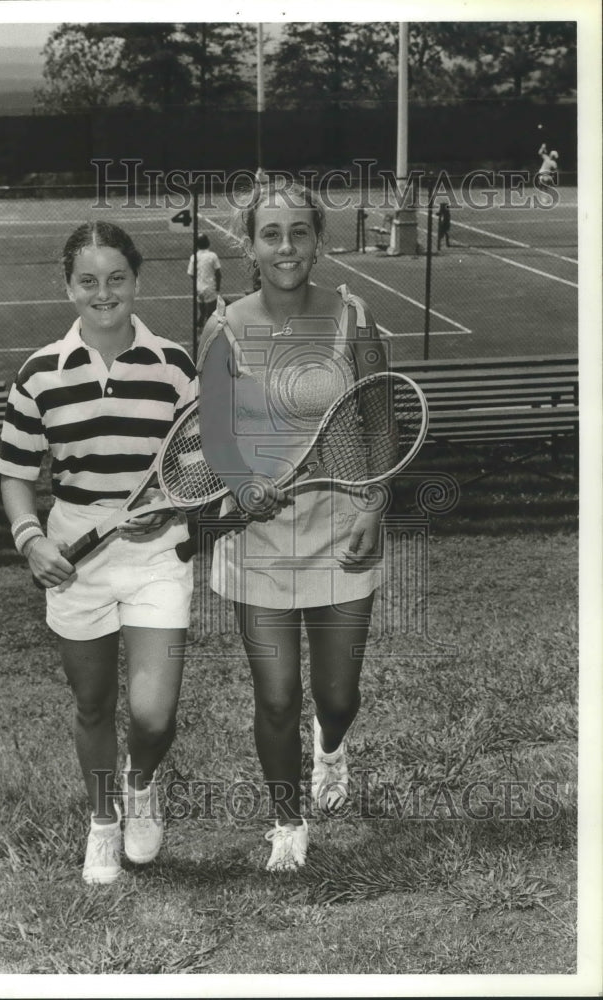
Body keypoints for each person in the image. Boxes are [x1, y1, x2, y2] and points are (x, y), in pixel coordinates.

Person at [0, 222, 197, 884]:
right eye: (88, 280)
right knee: (92, 703)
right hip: (74, 552)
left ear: (136, 281)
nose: (103, 293)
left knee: (152, 713)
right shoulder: (38, 375)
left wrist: (169, 506)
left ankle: (141, 784)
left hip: (157, 552)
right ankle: (102, 821)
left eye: (116, 278)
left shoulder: (175, 364)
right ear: (68, 287)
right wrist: (31, 541)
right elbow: (17, 473)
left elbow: (195, 466)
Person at [197, 179, 386, 872]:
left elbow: (380, 414)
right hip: (258, 537)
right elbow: (214, 435)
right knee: (274, 695)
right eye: (271, 234)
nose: (286, 247)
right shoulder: (221, 327)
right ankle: (287, 823)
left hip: (343, 528)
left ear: (318, 240)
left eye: (299, 232)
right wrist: (244, 487)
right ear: (249, 244)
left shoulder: (352, 317)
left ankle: (331, 747)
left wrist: (375, 503)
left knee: (337, 694)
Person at [187, 233, 222, 331]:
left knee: (202, 311)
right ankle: (209, 331)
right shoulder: (212, 256)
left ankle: (199, 327)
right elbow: (218, 273)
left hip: (199, 288)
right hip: (210, 287)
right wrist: (218, 287)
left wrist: (198, 281)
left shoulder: (194, 257)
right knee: (212, 313)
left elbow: (190, 273)